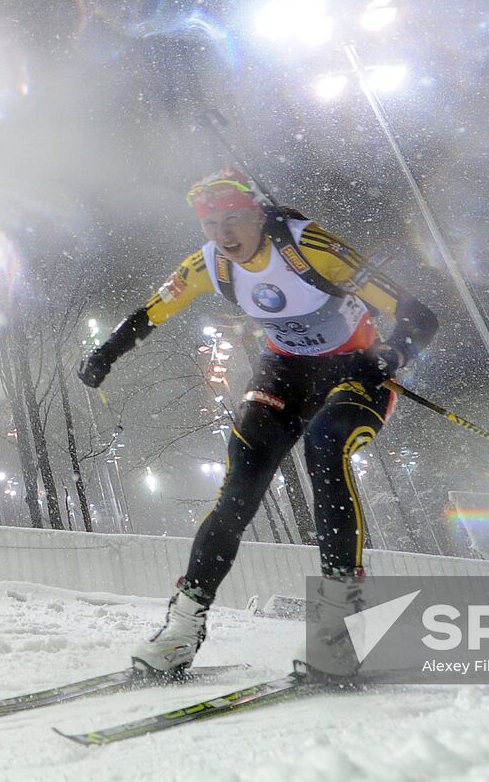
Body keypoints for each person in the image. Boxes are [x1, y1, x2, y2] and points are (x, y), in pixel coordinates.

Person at [77, 166, 437, 677]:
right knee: (239, 485)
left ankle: (337, 631)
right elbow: (152, 311)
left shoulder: (309, 246)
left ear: (258, 214)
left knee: (324, 446)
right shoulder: (210, 266)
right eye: (210, 225)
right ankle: (181, 631)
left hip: (353, 372)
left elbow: (419, 315)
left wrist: (389, 355)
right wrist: (106, 353)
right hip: (285, 371)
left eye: (233, 219)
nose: (223, 236)